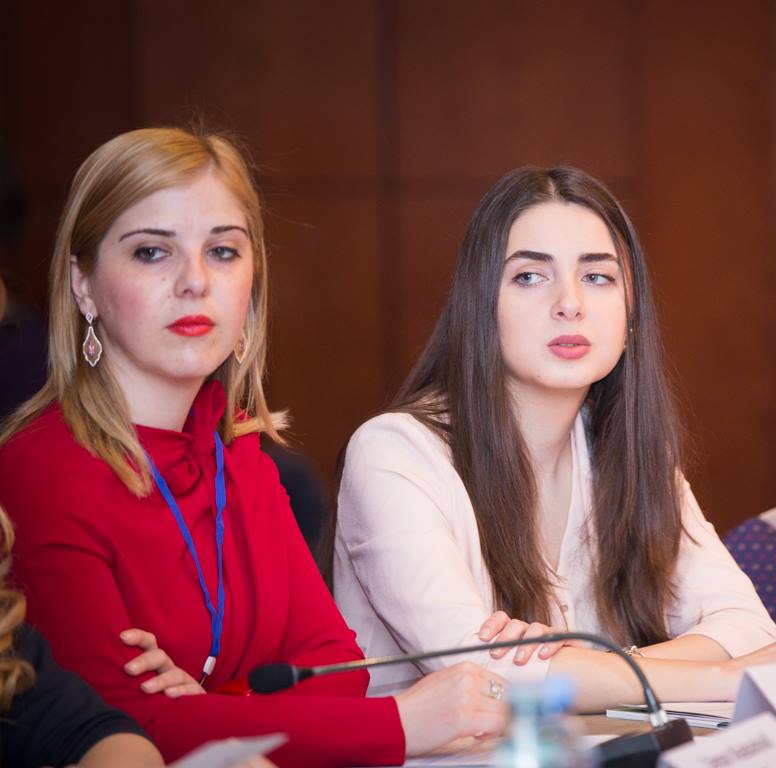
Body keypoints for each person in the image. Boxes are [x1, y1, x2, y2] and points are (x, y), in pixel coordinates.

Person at [0, 128, 506, 766]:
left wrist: (208, 709)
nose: (194, 281)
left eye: (222, 251)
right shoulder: (38, 472)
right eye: (152, 252)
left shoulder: (236, 452)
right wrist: (400, 722)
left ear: (252, 280)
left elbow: (339, 667)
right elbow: (116, 732)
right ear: (84, 284)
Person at [326, 166, 776, 711]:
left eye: (598, 277)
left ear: (631, 316)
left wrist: (590, 668)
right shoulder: (394, 454)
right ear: (480, 307)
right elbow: (480, 675)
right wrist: (721, 678)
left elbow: (747, 626)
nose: (569, 303)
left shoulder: (631, 453)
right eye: (529, 277)